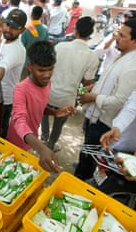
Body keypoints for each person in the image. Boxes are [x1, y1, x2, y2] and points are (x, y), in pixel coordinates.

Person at [75, 18, 136, 180]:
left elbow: (120, 101)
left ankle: (80, 180)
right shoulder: (125, 56)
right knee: (86, 153)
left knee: (90, 157)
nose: (117, 37)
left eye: (122, 35)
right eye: (118, 33)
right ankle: (83, 168)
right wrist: (94, 86)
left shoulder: (133, 68)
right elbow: (111, 82)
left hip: (105, 123)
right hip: (97, 119)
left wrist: (93, 97)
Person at [7, 40, 75, 173]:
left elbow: (38, 107)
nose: (47, 75)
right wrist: (42, 148)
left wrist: (54, 112)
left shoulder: (47, 83)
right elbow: (19, 121)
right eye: (41, 70)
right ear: (30, 66)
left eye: (50, 70)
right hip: (18, 140)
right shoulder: (21, 89)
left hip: (32, 138)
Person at [41, 17, 99, 152]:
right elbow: (86, 84)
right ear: (90, 33)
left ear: (75, 30)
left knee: (44, 115)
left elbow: (48, 68)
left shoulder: (60, 47)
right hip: (67, 99)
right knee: (58, 125)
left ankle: (43, 139)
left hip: (49, 93)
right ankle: (50, 145)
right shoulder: (92, 56)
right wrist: (80, 95)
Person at [0, 8, 27, 138]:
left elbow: (3, 66)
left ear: (22, 30)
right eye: (8, 24)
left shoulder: (17, 50)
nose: (8, 29)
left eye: (14, 28)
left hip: (5, 100)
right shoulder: (6, 40)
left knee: (0, 131)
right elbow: (0, 61)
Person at [94, 10, 136, 77]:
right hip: (104, 74)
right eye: (123, 23)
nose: (122, 25)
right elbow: (99, 53)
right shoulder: (115, 34)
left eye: (126, 24)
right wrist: (112, 39)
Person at [20, 6, 49, 79]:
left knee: (23, 84)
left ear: (31, 14)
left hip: (26, 63)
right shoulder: (45, 29)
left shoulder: (26, 29)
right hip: (38, 64)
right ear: (41, 16)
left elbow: (21, 46)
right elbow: (46, 46)